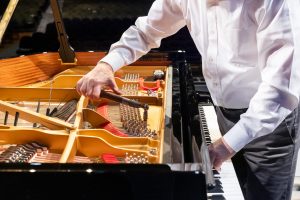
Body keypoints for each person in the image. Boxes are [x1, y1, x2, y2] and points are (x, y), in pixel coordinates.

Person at [76, 0, 300, 199]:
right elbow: (146, 31)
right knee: (239, 188)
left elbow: (280, 90)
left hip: (272, 123)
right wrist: (107, 64)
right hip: (223, 110)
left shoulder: (278, 3)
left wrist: (229, 144)